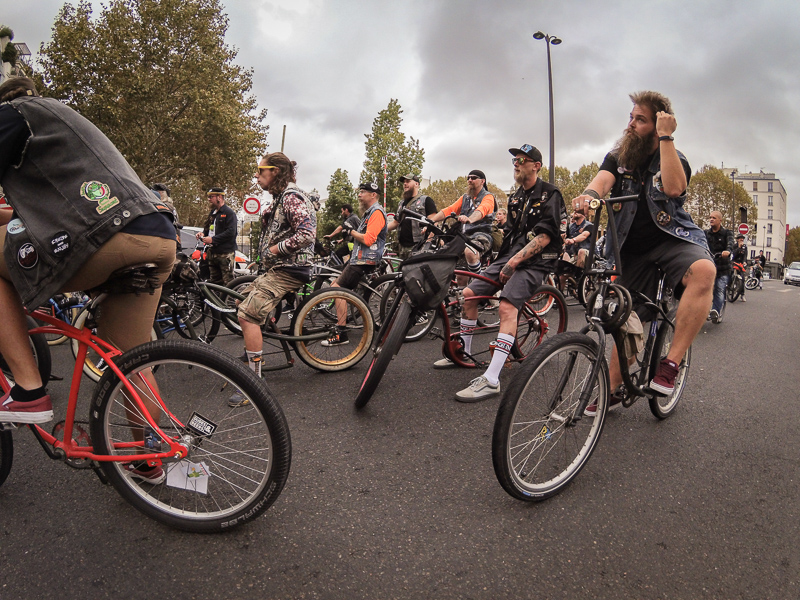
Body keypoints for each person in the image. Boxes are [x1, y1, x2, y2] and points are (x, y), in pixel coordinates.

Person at [0, 77, 176, 483]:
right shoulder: (60, 120)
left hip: (107, 234)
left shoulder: (11, 118)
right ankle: (150, 456)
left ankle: (28, 389)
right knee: (129, 358)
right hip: (156, 234)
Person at [573, 90, 714, 411]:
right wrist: (587, 194)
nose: (631, 124)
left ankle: (671, 364)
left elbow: (675, 187)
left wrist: (666, 137)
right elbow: (602, 180)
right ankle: (610, 389)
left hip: (672, 240)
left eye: (641, 119)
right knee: (626, 318)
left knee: (705, 271)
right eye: (631, 117)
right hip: (629, 250)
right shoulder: (619, 156)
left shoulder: (674, 157)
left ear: (657, 124)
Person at [438, 145, 562, 403]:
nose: (515, 163)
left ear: (535, 165)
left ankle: (492, 379)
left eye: (521, 160)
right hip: (511, 255)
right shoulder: (516, 196)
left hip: (537, 260)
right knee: (469, 294)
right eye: (514, 160)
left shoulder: (550, 194)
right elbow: (511, 234)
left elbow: (545, 235)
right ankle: (465, 353)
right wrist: (500, 261)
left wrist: (513, 263)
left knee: (506, 307)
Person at [233, 153, 316, 403]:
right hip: (278, 268)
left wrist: (273, 251)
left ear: (275, 172)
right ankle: (254, 353)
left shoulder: (291, 197)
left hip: (290, 269)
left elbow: (307, 234)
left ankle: (255, 383)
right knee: (242, 302)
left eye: (261, 171)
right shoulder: (281, 198)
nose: (257, 176)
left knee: (246, 315)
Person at [324, 182, 387, 346]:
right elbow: (361, 237)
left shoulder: (377, 213)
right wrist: (348, 234)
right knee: (335, 285)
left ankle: (341, 333)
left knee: (338, 290)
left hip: (365, 260)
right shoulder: (368, 213)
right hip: (358, 258)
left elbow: (368, 239)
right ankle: (344, 319)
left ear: (373, 195)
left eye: (363, 192)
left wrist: (351, 231)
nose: (359, 195)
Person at [429, 169, 496, 286]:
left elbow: (482, 210)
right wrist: (430, 220)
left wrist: (470, 218)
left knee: (470, 252)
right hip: (465, 237)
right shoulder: (465, 197)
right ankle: (462, 301)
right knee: (460, 275)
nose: (470, 180)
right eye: (468, 178)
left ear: (482, 181)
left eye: (473, 178)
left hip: (482, 235)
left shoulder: (488, 197)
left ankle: (481, 286)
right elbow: (450, 210)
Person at [388, 174, 437, 260]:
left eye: (408, 181)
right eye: (404, 182)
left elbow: (434, 222)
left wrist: (427, 244)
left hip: (418, 246)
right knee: (402, 272)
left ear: (416, 184)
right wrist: (380, 229)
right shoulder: (401, 203)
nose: (405, 184)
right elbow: (395, 222)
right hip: (402, 247)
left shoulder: (426, 200)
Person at [196, 187, 237, 286]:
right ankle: (216, 300)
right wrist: (202, 234)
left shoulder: (229, 213)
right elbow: (208, 229)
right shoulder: (213, 213)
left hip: (225, 253)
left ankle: (227, 301)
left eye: (211, 197)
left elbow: (231, 232)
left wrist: (213, 239)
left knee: (228, 282)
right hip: (213, 253)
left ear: (219, 197)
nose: (209, 199)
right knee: (214, 282)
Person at [705, 211, 734, 321]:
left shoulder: (727, 233)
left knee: (719, 288)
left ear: (720, 220)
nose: (711, 219)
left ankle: (716, 311)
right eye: (710, 217)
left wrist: (727, 251)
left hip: (723, 268)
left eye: (714, 218)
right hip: (708, 266)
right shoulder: (706, 233)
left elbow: (730, 243)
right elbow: (700, 242)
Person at [730, 234, 748, 301]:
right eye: (740, 238)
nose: (742, 240)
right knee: (730, 274)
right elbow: (733, 255)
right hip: (734, 262)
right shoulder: (734, 246)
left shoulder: (744, 247)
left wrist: (744, 261)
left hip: (740, 264)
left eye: (742, 238)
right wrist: (738, 248)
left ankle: (742, 294)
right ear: (737, 239)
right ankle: (728, 287)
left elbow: (745, 255)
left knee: (742, 278)